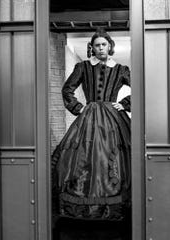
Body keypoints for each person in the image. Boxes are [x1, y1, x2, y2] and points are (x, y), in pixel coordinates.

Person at [52, 29, 131, 222]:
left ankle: (114, 204)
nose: (101, 48)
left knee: (111, 158)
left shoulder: (121, 69)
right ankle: (83, 205)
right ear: (92, 48)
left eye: (104, 44)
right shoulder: (83, 67)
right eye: (97, 45)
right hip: (89, 117)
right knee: (84, 156)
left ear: (110, 46)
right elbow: (67, 90)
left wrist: (125, 103)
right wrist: (78, 108)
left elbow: (141, 86)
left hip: (113, 118)